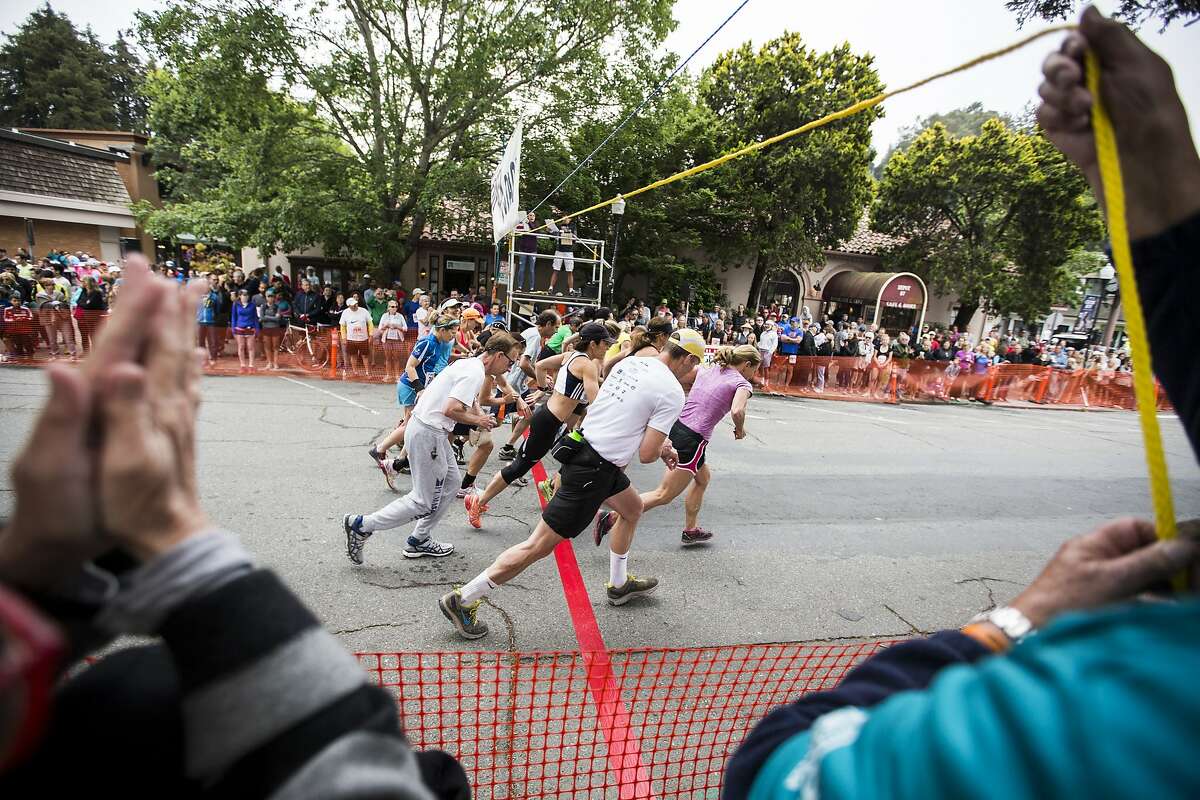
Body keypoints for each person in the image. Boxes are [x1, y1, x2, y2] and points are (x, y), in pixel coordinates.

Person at [724, 12, 1200, 799]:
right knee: (656, 484)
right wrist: (1163, 201)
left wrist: (1019, 617)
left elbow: (777, 769)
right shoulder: (1143, 697)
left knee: (670, 483)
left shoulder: (1134, 696)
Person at [0, 256, 465, 798]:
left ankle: (407, 529)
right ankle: (373, 525)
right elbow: (367, 779)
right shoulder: (133, 699)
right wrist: (177, 542)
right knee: (142, 696)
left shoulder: (112, 695)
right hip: (423, 427)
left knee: (135, 691)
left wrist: (34, 575)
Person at [438, 329, 706, 640]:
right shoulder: (672, 391)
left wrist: (659, 442)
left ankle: (619, 585)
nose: (692, 374)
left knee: (632, 509)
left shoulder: (629, 363)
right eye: (694, 365)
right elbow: (647, 454)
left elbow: (621, 413)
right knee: (537, 546)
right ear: (687, 358)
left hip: (587, 452)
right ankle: (463, 598)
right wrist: (663, 447)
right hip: (595, 470)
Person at [342, 332, 521, 562]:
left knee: (453, 481)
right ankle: (362, 525)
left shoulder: (470, 365)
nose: (510, 367)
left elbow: (464, 400)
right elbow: (451, 410)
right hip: (429, 432)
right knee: (421, 500)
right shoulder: (474, 373)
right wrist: (480, 421)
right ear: (498, 355)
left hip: (428, 429)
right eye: (511, 361)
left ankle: (420, 539)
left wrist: (478, 413)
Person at [595, 344, 758, 547]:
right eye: (754, 370)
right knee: (663, 494)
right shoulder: (742, 384)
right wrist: (740, 429)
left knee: (703, 478)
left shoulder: (709, 369)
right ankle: (609, 518)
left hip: (680, 428)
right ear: (747, 364)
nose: (753, 375)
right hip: (693, 440)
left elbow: (681, 379)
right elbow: (737, 411)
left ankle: (690, 530)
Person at [465, 321, 615, 528]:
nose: (607, 347)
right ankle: (478, 502)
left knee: (575, 458)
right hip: (548, 422)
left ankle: (553, 487)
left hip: (552, 419)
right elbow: (595, 402)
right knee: (518, 467)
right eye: (605, 343)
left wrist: (544, 389)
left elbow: (541, 365)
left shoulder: (571, 355)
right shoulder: (587, 365)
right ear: (593, 344)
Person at [369, 316, 460, 484]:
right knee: (410, 424)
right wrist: (420, 388)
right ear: (441, 330)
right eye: (452, 332)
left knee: (411, 423)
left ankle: (395, 457)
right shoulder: (427, 342)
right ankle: (380, 450)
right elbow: (409, 366)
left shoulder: (441, 344)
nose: (454, 335)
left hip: (422, 388)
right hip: (410, 387)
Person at [340, 295, 374, 377]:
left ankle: (367, 372)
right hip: (351, 338)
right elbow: (342, 326)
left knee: (365, 355)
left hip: (363, 338)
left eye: (356, 304)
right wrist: (344, 337)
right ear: (349, 306)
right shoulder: (345, 312)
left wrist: (371, 335)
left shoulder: (364, 311)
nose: (355, 305)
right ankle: (355, 372)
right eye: (353, 305)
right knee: (353, 355)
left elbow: (370, 323)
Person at [545, 216, 578, 296]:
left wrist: (562, 232)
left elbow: (574, 238)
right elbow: (553, 238)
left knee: (570, 271)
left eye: (566, 218)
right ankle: (550, 288)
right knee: (556, 269)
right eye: (563, 218)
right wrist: (549, 231)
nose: (564, 219)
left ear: (570, 219)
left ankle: (571, 289)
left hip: (569, 251)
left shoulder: (573, 226)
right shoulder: (559, 226)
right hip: (559, 250)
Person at [378, 298, 409, 381]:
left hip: (397, 340)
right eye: (392, 306)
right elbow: (380, 328)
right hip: (387, 339)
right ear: (388, 307)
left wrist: (397, 326)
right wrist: (387, 325)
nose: (394, 308)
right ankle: (388, 375)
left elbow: (405, 328)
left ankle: (397, 376)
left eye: (396, 306)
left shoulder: (400, 316)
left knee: (396, 358)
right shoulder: (384, 316)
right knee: (387, 358)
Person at [230, 287, 260, 372]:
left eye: (247, 295)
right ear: (240, 296)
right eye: (243, 295)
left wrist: (257, 329)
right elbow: (233, 317)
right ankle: (242, 365)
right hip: (239, 328)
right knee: (241, 347)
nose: (245, 297)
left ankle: (251, 365)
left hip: (250, 328)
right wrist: (233, 328)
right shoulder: (236, 304)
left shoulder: (252, 305)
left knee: (251, 347)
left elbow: (255, 318)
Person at [258, 288, 289, 370]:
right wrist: (272, 317)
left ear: (274, 298)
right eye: (268, 296)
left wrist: (266, 317)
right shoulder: (263, 306)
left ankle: (275, 363)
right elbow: (261, 317)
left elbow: (278, 319)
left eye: (272, 296)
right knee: (267, 346)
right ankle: (269, 362)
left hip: (275, 328)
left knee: (275, 346)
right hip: (266, 328)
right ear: (266, 297)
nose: (270, 298)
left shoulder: (277, 307)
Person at [513, 210, 539, 291]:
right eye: (530, 215)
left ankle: (532, 287)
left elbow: (536, 230)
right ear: (527, 216)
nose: (531, 217)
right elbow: (517, 230)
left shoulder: (536, 223)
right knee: (521, 269)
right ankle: (520, 286)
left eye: (533, 215)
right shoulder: (523, 223)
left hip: (532, 250)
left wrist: (529, 223)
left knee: (531, 270)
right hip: (523, 249)